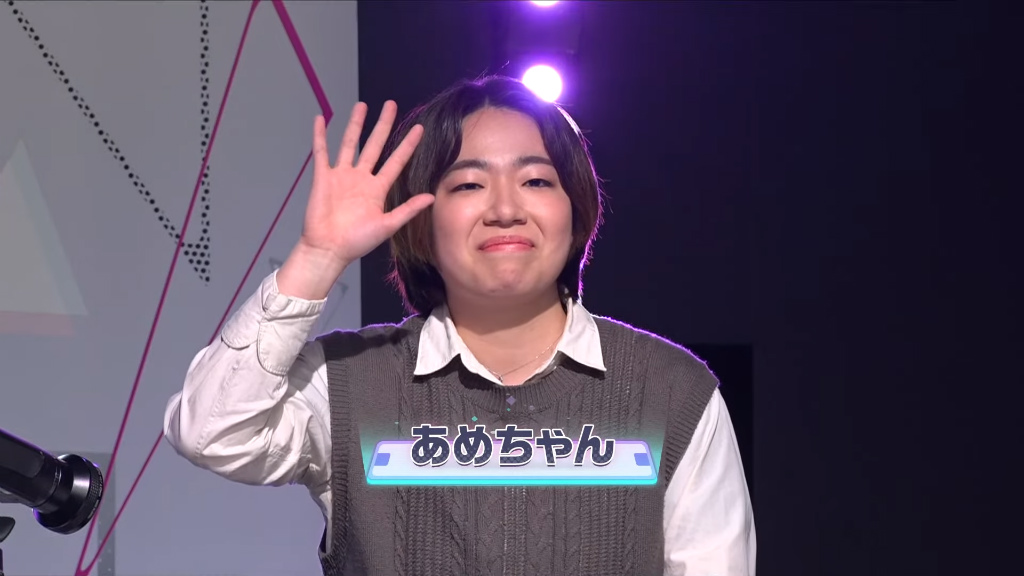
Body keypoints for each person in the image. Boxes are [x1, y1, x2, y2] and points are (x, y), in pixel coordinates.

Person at [163, 75, 755, 576]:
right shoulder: (348, 384)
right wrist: (317, 258)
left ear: (576, 212)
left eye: (536, 181)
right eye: (469, 184)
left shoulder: (670, 391)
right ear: (421, 221)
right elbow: (211, 433)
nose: (505, 209)